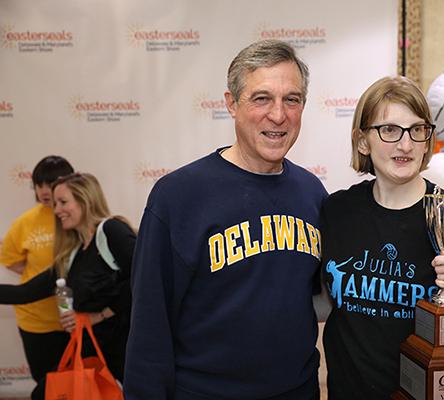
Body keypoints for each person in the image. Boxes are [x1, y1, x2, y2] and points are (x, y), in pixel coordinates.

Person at [124, 40, 327, 400]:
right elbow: (149, 327)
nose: (278, 115)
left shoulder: (312, 193)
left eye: (291, 100)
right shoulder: (178, 196)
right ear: (231, 104)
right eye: (261, 98)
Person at [320, 76, 444, 399]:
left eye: (417, 130)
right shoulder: (337, 212)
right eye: (390, 130)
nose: (405, 145)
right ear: (362, 141)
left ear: (428, 139)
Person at [0, 172, 135, 399]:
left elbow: (144, 279)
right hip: (92, 354)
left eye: (63, 202)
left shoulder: (111, 231)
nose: (57, 210)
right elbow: (23, 293)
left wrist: (99, 315)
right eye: (55, 204)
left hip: (123, 354)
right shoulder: (71, 255)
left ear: (85, 199)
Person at [0, 155, 73, 399]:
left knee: (76, 383)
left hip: (74, 319)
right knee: (45, 386)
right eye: (38, 184)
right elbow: (10, 258)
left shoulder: (74, 217)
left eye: (49, 184)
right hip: (35, 321)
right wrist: (41, 280)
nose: (43, 191)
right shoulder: (26, 222)